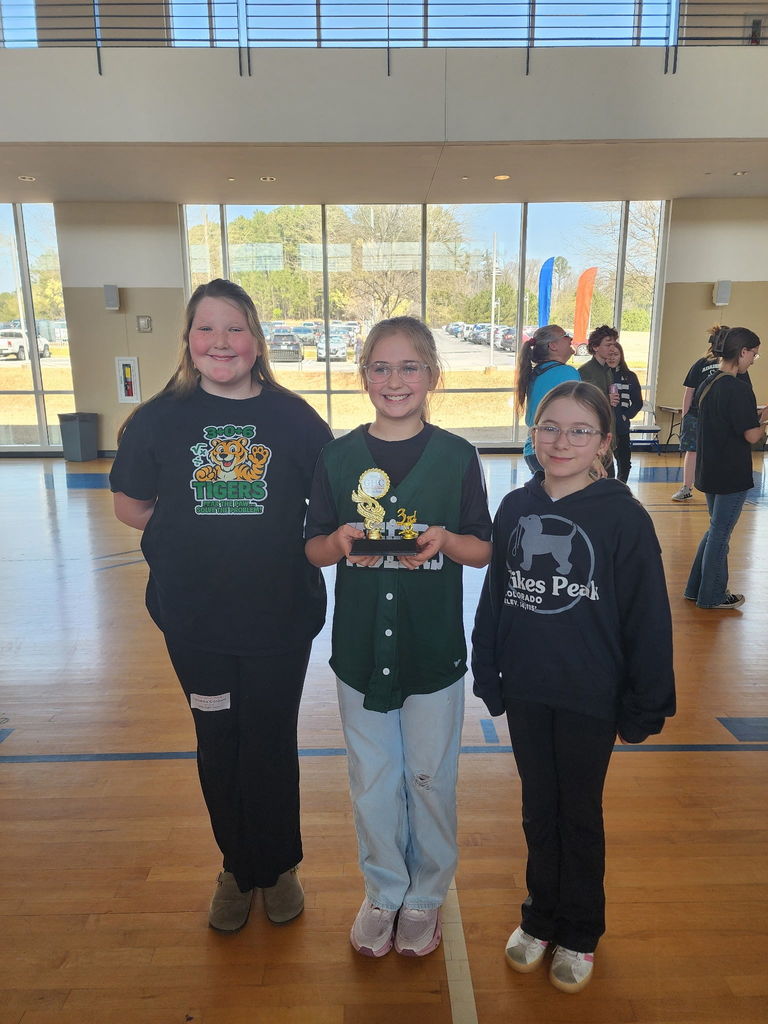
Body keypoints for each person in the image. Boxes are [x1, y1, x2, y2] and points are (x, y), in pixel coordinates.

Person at [109, 278, 333, 933]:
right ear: (188, 340)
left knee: (270, 740)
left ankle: (279, 866)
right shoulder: (157, 419)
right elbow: (130, 505)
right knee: (218, 740)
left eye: (235, 328)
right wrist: (190, 533)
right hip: (195, 624)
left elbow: (330, 505)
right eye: (206, 328)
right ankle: (237, 867)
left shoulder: (295, 419)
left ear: (256, 339)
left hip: (279, 620)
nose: (221, 342)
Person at [471, 380, 675, 994]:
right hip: (528, 689)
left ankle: (580, 930)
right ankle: (540, 917)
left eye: (580, 431)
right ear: (533, 434)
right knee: (539, 808)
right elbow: (496, 598)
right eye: (550, 428)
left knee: (578, 813)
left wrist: (645, 703)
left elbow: (647, 617)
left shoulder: (623, 517)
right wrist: (489, 670)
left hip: (589, 695)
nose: (562, 442)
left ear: (604, 442)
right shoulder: (516, 508)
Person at [305, 316, 492, 959]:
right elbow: (312, 548)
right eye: (380, 368)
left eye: (409, 366)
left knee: (430, 778)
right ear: (363, 377)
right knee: (373, 779)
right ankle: (384, 889)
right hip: (361, 652)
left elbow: (482, 548)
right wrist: (338, 543)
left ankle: (426, 895)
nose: (395, 380)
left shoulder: (458, 457)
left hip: (431, 650)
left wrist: (446, 541)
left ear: (432, 375)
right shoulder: (336, 459)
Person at [684, 327, 767, 609]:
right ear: (742, 352)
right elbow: (751, 436)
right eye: (754, 354)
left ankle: (695, 589)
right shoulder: (738, 388)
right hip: (731, 472)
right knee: (720, 534)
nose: (753, 360)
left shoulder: (709, 382)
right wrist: (764, 421)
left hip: (710, 468)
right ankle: (712, 596)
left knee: (715, 530)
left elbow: (726, 421)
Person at [671, 325, 750, 502]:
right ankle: (687, 487)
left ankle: (715, 487)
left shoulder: (737, 368)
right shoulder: (701, 364)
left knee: (716, 452)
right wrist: (685, 417)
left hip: (720, 418)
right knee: (693, 451)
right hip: (698, 416)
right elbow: (689, 391)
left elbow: (744, 392)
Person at [515, 324, 581, 474]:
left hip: (533, 450)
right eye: (565, 336)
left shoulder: (536, 372)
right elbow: (577, 414)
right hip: (555, 450)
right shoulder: (566, 373)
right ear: (553, 345)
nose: (570, 338)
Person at [578, 325, 620, 477]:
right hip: (594, 436)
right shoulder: (585, 371)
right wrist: (605, 399)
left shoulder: (607, 370)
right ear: (595, 347)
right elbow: (585, 403)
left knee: (608, 478)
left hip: (606, 433)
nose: (612, 348)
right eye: (608, 345)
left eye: (614, 344)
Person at [605, 342, 643, 483]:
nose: (612, 358)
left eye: (615, 354)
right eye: (609, 354)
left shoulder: (630, 376)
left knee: (624, 462)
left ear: (621, 356)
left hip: (621, 427)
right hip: (604, 426)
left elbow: (638, 402)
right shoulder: (601, 375)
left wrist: (626, 415)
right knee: (605, 463)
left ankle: (620, 487)